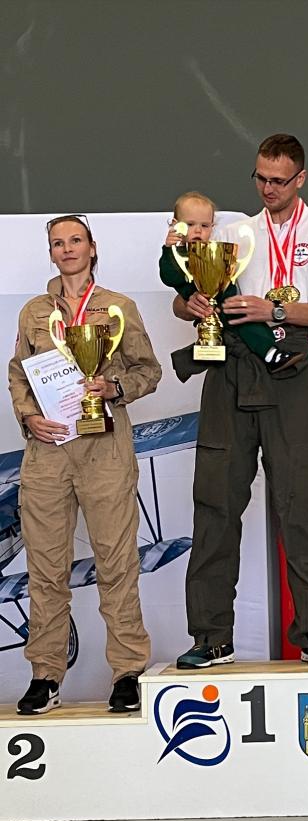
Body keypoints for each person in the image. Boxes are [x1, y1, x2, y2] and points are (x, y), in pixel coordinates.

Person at [171, 134, 308, 669]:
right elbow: (185, 295)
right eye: (260, 177)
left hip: (292, 372)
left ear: (300, 178)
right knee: (215, 503)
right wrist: (190, 304)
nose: (267, 188)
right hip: (230, 368)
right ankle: (211, 635)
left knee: (299, 505)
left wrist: (275, 312)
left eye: (278, 180)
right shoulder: (233, 232)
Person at [8, 215, 161, 714]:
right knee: (45, 569)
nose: (68, 249)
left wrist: (113, 389)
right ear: (50, 253)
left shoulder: (118, 308)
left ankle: (128, 671)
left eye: (76, 240)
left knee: (117, 563)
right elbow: (18, 374)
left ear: (92, 248)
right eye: (58, 243)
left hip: (105, 449)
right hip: (47, 454)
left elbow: (148, 370)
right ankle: (46, 675)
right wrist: (28, 416)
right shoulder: (34, 312)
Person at [159, 191, 302, 374]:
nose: (197, 231)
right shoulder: (177, 254)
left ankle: (272, 354)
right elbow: (169, 277)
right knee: (245, 321)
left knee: (249, 319)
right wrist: (169, 248)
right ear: (175, 225)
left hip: (228, 302)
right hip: (211, 308)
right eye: (190, 224)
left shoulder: (216, 249)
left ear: (213, 227)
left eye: (205, 225)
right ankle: (271, 355)